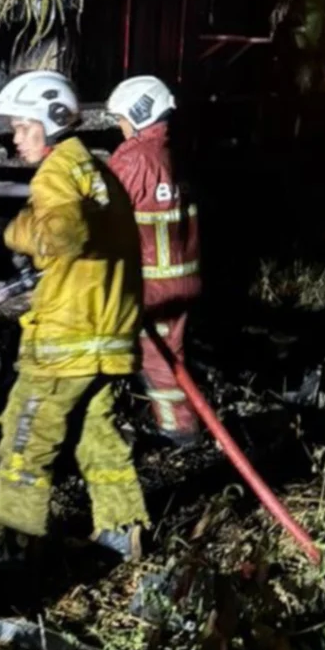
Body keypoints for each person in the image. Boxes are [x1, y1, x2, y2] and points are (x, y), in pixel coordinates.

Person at [0, 70, 151, 567]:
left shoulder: (54, 174)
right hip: (110, 333)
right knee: (97, 435)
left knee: (26, 436)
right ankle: (122, 531)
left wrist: (20, 231)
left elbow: (64, 237)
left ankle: (13, 548)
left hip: (66, 341)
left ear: (49, 123)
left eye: (22, 127)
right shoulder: (95, 170)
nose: (15, 137)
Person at [105, 75, 202, 448]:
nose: (120, 127)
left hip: (152, 280)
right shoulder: (173, 153)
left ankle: (178, 431)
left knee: (156, 357)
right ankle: (175, 419)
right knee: (169, 351)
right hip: (183, 276)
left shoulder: (134, 158)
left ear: (138, 113)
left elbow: (104, 209)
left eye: (121, 119)